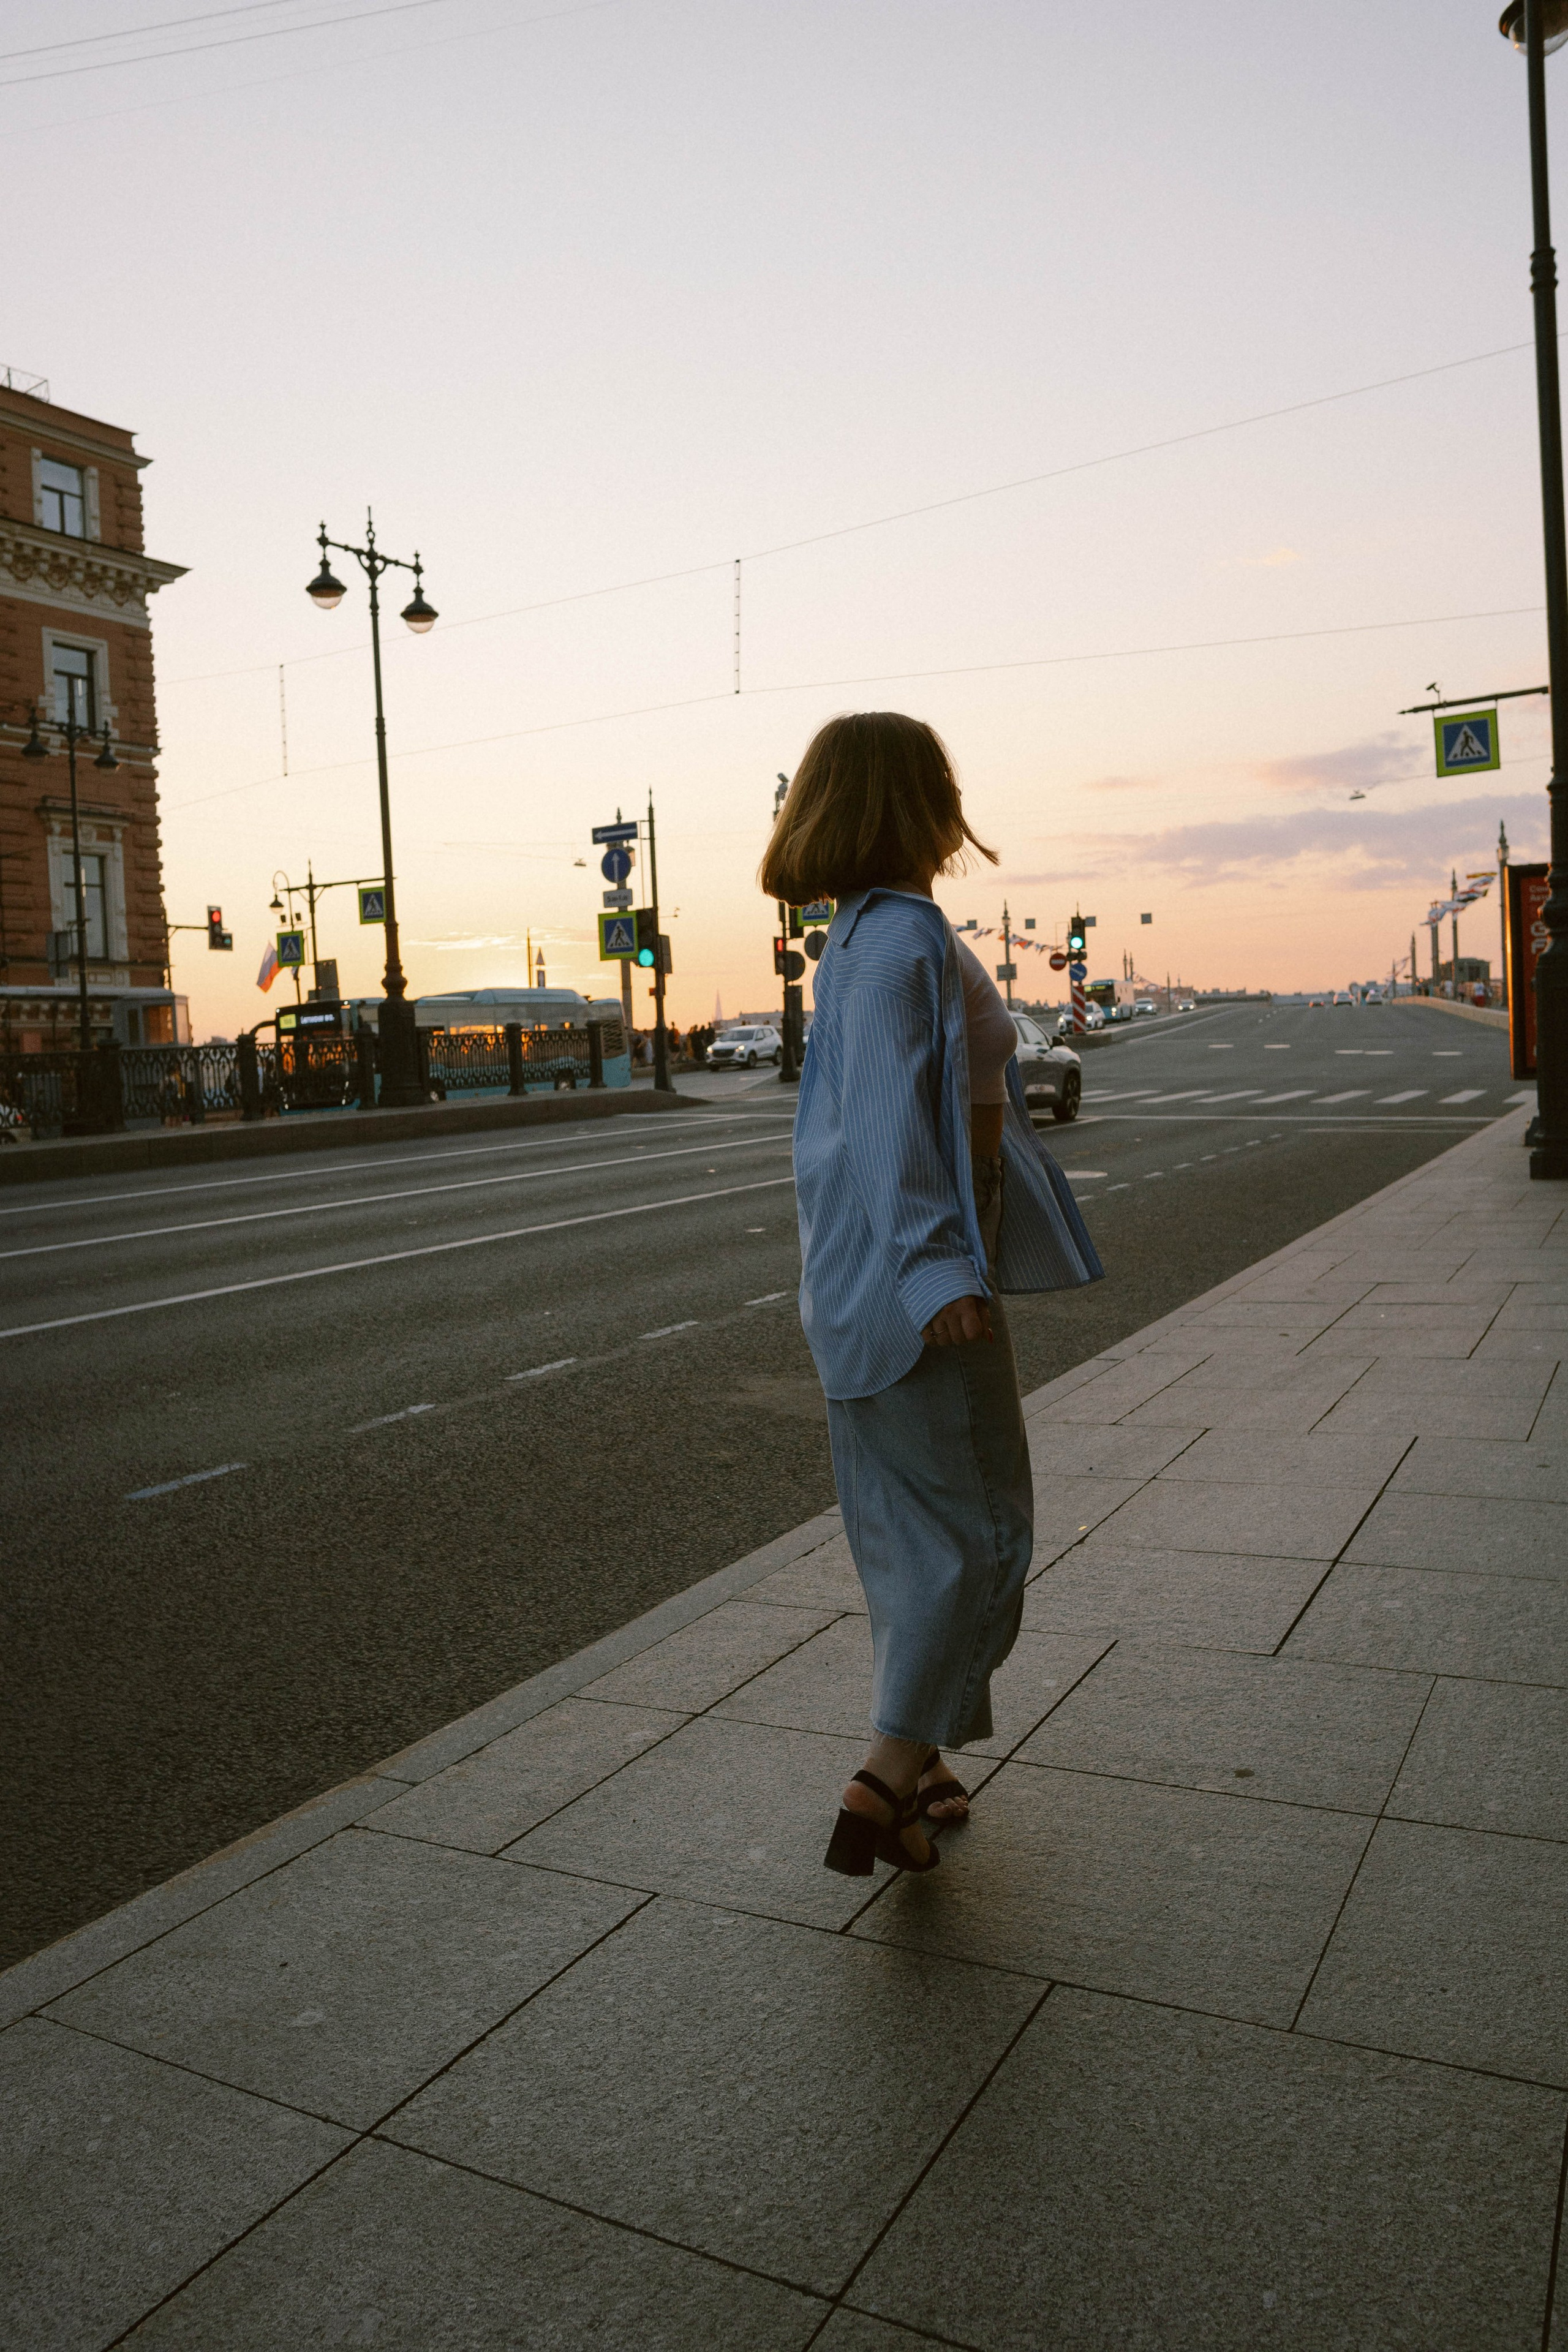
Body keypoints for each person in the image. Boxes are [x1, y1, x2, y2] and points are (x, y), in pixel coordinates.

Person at [761, 712, 1104, 1875]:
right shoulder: (904, 938)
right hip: (918, 1294)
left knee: (906, 1543)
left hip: (856, 1288)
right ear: (920, 802)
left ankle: (924, 1771)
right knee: (983, 1536)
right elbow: (890, 1125)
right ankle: (883, 1773)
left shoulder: (853, 938)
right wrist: (936, 1266)